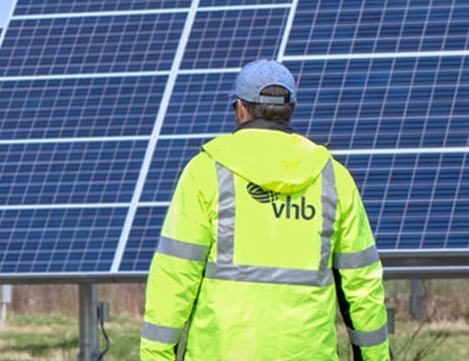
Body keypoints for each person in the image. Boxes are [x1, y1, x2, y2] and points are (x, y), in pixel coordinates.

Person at [141, 60, 390, 360]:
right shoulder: (334, 178)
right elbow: (362, 288)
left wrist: (156, 355)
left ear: (240, 108)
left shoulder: (205, 172)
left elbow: (173, 277)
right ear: (292, 109)